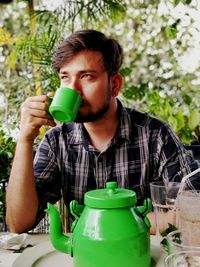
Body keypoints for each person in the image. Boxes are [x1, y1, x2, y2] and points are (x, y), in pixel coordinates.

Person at [6, 29, 200, 234]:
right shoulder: (57, 141)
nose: (73, 90)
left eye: (86, 76)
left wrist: (106, 225)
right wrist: (25, 140)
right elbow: (19, 223)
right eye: (65, 77)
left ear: (114, 85)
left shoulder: (155, 135)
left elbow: (193, 208)